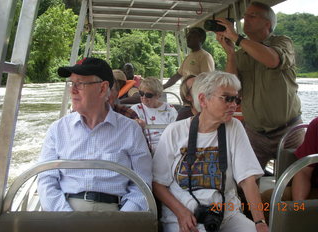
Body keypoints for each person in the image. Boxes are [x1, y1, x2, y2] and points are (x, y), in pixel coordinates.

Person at [153, 72, 268, 232]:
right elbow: (158, 184)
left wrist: (260, 222)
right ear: (203, 99)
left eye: (236, 99)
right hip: (184, 216)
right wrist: (181, 213)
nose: (234, 105)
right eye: (227, 98)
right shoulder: (175, 131)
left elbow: (247, 180)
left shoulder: (234, 127)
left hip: (226, 215)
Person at [37, 57, 152, 212]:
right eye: (72, 83)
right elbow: (46, 181)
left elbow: (142, 184)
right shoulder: (57, 130)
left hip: (115, 213)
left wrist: (122, 220)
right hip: (65, 210)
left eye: (80, 84)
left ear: (103, 88)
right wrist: (66, 219)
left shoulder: (130, 130)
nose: (72, 90)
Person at [215, 1, 303, 169]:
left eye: (252, 16)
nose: (245, 19)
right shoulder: (242, 53)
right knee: (246, 181)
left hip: (289, 131)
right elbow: (232, 87)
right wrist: (231, 54)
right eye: (245, 16)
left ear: (267, 24)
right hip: (255, 132)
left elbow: (273, 60)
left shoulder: (283, 42)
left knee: (291, 185)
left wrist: (236, 37)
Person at [261, 117, 318, 223]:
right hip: (314, 190)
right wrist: (299, 209)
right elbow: (304, 172)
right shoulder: (316, 125)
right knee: (267, 199)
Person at [131, 77, 178, 153]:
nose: (144, 97)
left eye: (148, 95)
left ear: (158, 95)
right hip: (143, 148)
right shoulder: (135, 109)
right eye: (141, 93)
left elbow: (176, 132)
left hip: (167, 148)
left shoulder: (169, 109)